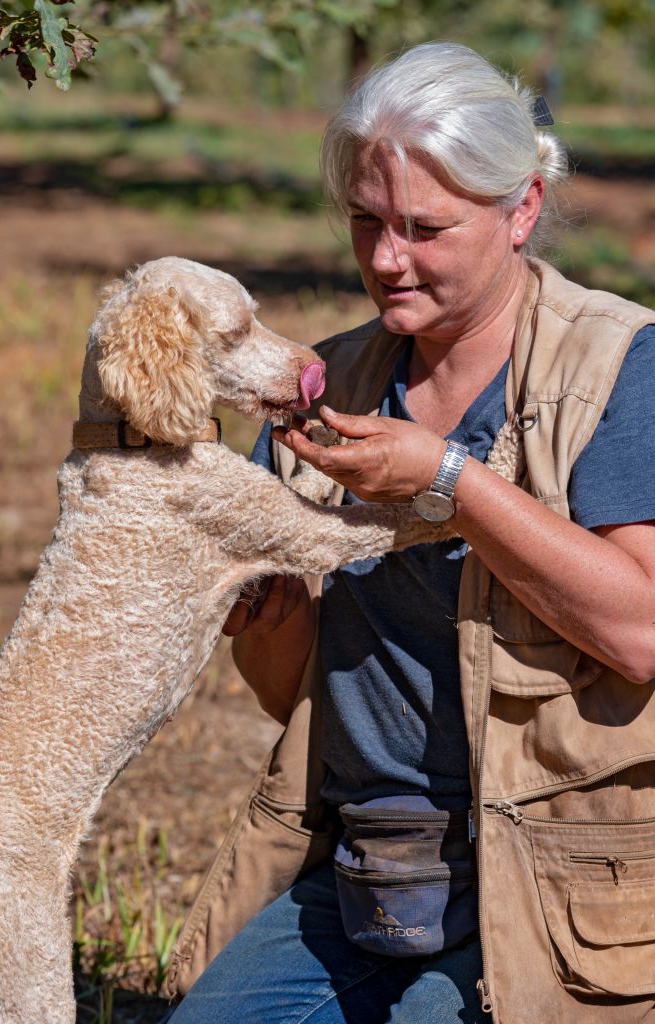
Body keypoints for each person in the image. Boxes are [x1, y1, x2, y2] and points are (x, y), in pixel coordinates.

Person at [167, 42, 655, 1024]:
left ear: (520, 208)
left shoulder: (615, 364)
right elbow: (295, 688)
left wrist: (447, 481)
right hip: (372, 870)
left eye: (425, 228)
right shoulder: (325, 387)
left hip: (563, 870)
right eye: (365, 221)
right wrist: (251, 603)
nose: (386, 258)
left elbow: (641, 632)